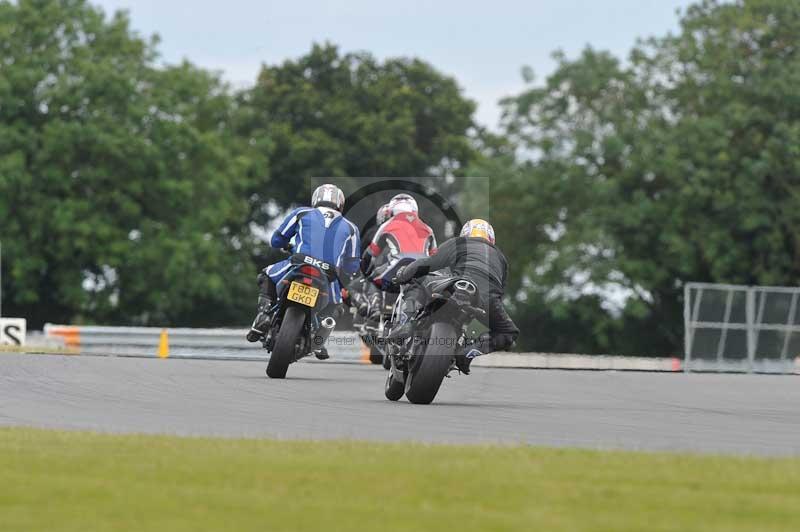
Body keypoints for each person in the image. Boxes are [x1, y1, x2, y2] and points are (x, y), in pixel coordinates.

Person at [392, 218, 518, 374]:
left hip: (457, 284)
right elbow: (500, 289)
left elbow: (429, 263)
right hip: (486, 298)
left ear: (465, 233)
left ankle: (406, 323)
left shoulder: (459, 243)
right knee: (508, 332)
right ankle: (469, 352)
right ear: (491, 238)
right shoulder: (500, 257)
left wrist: (403, 274)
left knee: (416, 280)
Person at [246, 184, 361, 349]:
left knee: (266, 275)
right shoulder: (352, 228)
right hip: (328, 273)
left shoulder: (301, 213)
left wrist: (287, 245)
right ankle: (319, 339)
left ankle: (264, 315)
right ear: (340, 204)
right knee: (336, 306)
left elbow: (276, 240)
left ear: (315, 199)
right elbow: (352, 266)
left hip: (300, 263)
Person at [358, 194, 437, 319]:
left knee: (372, 279)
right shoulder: (428, 229)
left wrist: (364, 271)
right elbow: (435, 257)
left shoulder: (387, 225)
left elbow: (371, 254)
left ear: (392, 210)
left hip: (396, 270)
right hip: (423, 272)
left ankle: (375, 308)